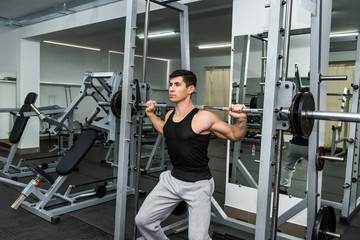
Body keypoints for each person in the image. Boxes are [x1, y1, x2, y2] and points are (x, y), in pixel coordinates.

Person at [135, 69, 247, 240]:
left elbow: (235, 135)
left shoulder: (204, 117)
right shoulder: (170, 114)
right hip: (171, 180)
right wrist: (150, 114)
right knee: (143, 221)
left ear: (190, 89)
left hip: (198, 185)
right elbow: (165, 130)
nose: (171, 89)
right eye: (171, 84)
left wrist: (241, 119)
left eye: (177, 85)